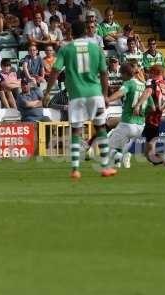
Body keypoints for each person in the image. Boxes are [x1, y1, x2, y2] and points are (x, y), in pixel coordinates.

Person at [42, 21, 117, 178]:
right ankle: (104, 166)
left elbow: (55, 70)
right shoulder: (96, 48)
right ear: (85, 32)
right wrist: (105, 95)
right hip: (95, 93)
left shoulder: (66, 49)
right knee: (101, 128)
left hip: (76, 95)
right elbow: (104, 73)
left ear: (71, 33)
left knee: (76, 130)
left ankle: (75, 169)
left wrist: (48, 92)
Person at [104, 63, 154, 169]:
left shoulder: (129, 83)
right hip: (140, 126)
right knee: (119, 145)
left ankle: (122, 157)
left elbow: (120, 93)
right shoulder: (144, 86)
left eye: (121, 74)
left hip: (127, 123)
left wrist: (108, 99)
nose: (121, 77)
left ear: (125, 74)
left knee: (106, 147)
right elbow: (153, 108)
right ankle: (117, 164)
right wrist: (142, 112)